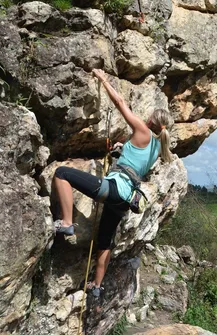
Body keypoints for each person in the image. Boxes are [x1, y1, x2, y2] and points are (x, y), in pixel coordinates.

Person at [53, 69, 174, 297]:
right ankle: (97, 286)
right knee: (105, 241)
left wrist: (103, 79)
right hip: (125, 200)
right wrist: (119, 152)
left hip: (115, 189)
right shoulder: (157, 148)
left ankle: (67, 222)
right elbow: (134, 164)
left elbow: (119, 103)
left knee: (62, 173)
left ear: (150, 120)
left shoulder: (142, 129)